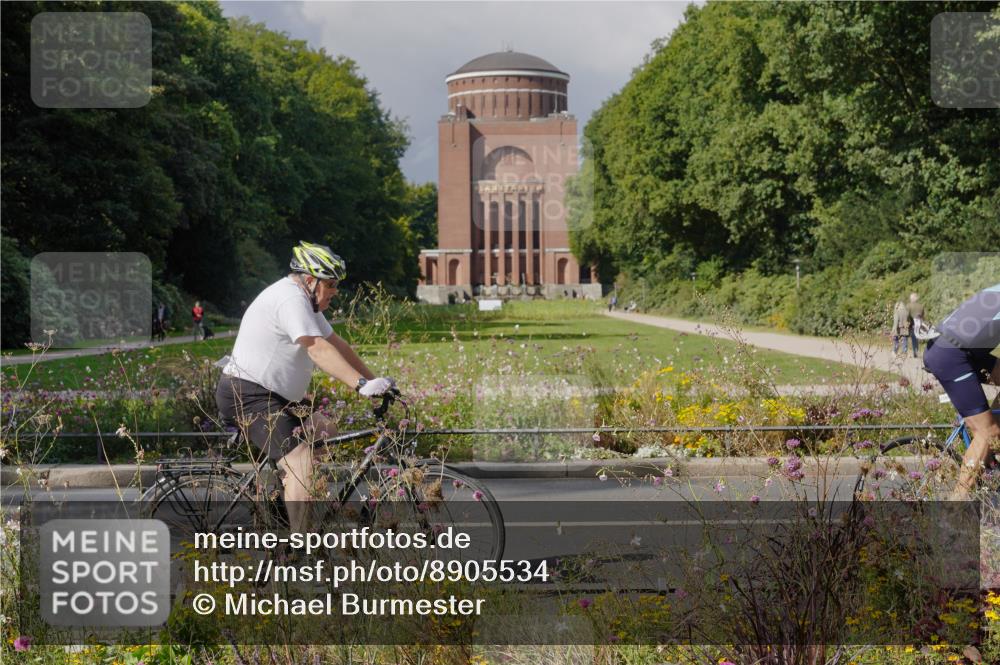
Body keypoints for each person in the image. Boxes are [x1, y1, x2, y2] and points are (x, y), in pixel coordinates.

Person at [215, 241, 396, 530]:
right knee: (301, 462)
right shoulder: (290, 299)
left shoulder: (304, 301)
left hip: (273, 396)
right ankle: (301, 546)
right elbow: (316, 349)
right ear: (311, 281)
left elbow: (337, 344)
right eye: (331, 284)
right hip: (248, 395)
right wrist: (360, 384)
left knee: (326, 430)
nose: (335, 292)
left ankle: (284, 503)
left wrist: (375, 381)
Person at [922, 284, 1000, 498]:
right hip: (953, 353)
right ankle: (954, 512)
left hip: (960, 349)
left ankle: (989, 451)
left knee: (993, 430)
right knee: (988, 432)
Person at [907, 293, 925, 358]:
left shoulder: (908, 306)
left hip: (912, 324)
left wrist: (907, 323)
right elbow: (923, 316)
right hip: (919, 323)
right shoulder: (921, 306)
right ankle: (917, 352)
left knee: (912, 338)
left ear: (912, 298)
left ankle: (914, 352)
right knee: (916, 338)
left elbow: (907, 316)